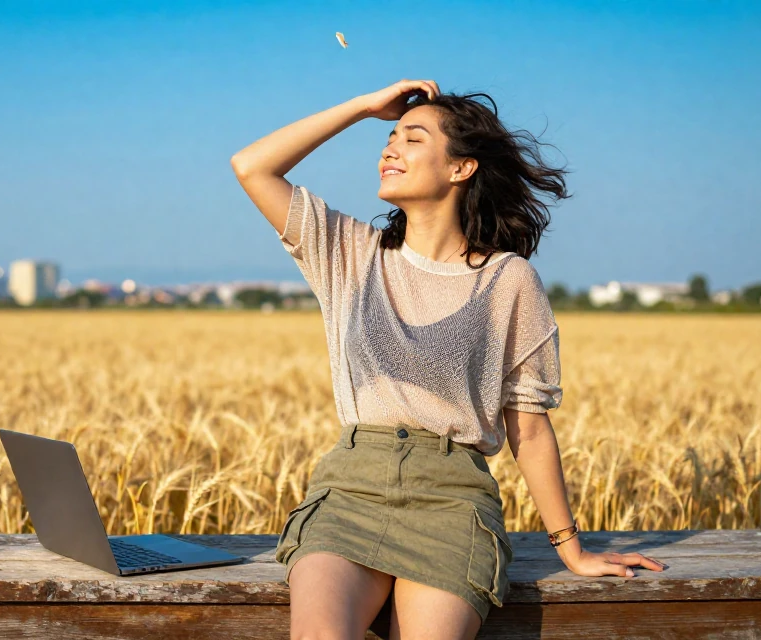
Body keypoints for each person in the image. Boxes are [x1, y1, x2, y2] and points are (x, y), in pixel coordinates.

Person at [230, 80, 667, 640]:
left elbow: (529, 429)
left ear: (462, 169)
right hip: (350, 492)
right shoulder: (350, 253)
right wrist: (365, 107)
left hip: (453, 504)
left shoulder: (509, 281)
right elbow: (252, 167)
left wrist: (572, 549)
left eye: (412, 138)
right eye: (388, 138)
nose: (388, 149)